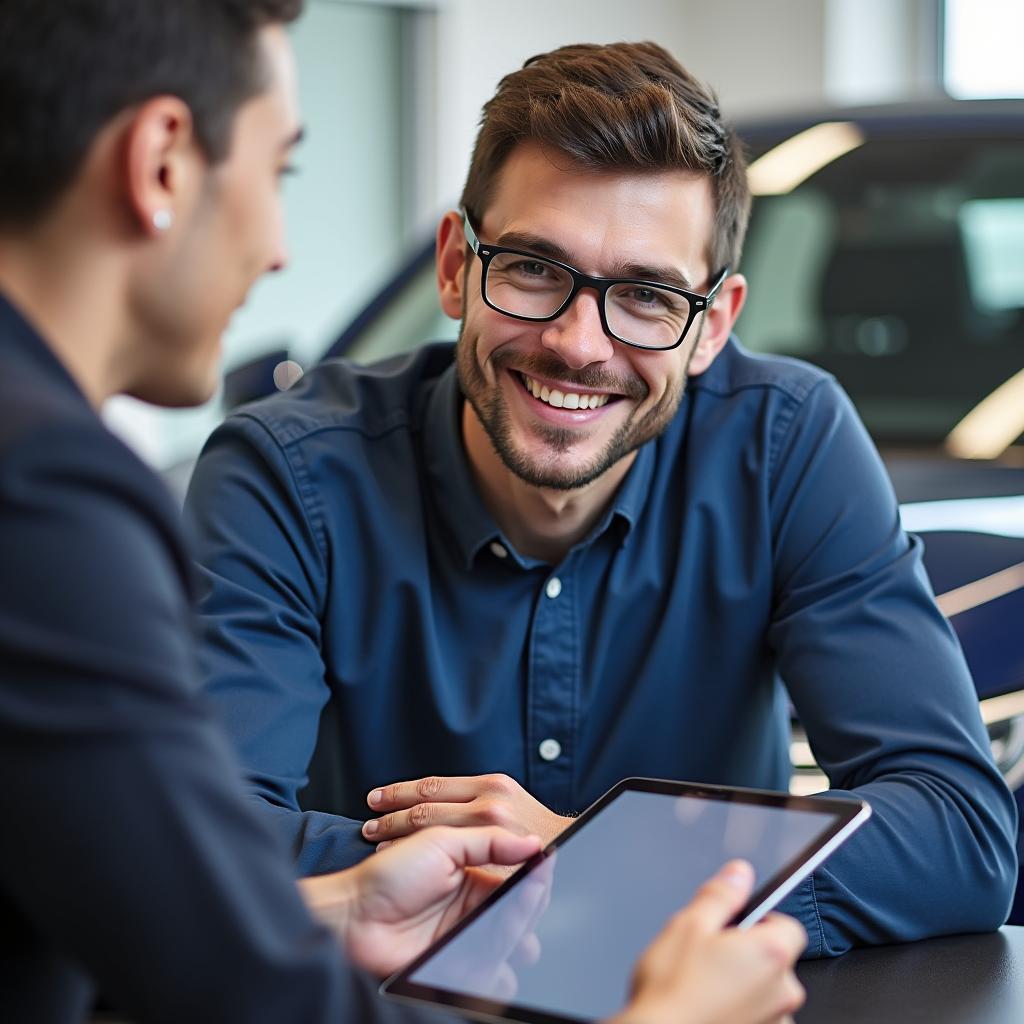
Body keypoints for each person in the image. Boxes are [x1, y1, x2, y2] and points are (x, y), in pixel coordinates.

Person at [0, 3, 808, 1022]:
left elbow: (151, 907)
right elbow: (217, 971)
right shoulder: (44, 494)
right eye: (278, 171)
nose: (280, 247)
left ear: (711, 324)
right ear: (162, 162)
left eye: (646, 295)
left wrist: (331, 906)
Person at [184, 39, 1019, 958]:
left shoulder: (788, 445)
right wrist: (559, 869)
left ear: (714, 327)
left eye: (649, 295)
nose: (580, 345)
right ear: (458, 266)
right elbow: (195, 844)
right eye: (536, 269)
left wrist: (587, 856)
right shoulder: (286, 475)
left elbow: (960, 835)